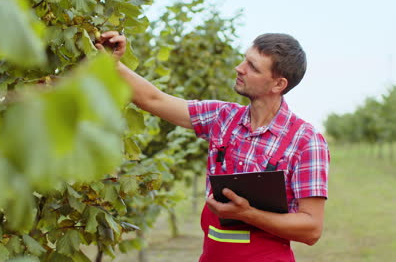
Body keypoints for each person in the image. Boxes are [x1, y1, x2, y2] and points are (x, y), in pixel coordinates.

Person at [96, 31, 329, 262]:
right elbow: (154, 99)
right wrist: (113, 64)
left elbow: (311, 229)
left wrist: (248, 214)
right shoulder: (223, 117)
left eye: (253, 67)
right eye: (244, 59)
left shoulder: (306, 141)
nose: (239, 68)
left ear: (278, 84)